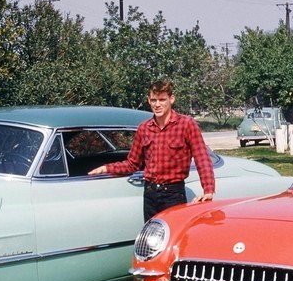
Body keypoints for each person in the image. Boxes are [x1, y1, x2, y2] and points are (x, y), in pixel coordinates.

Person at [89, 79, 215, 221]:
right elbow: (133, 163)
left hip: (173, 194)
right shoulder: (144, 128)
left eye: (162, 100)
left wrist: (208, 190)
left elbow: (202, 158)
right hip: (150, 194)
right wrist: (107, 168)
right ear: (149, 100)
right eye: (154, 100)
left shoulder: (186, 124)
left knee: (172, 238)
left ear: (171, 99)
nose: (157, 104)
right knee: (151, 238)